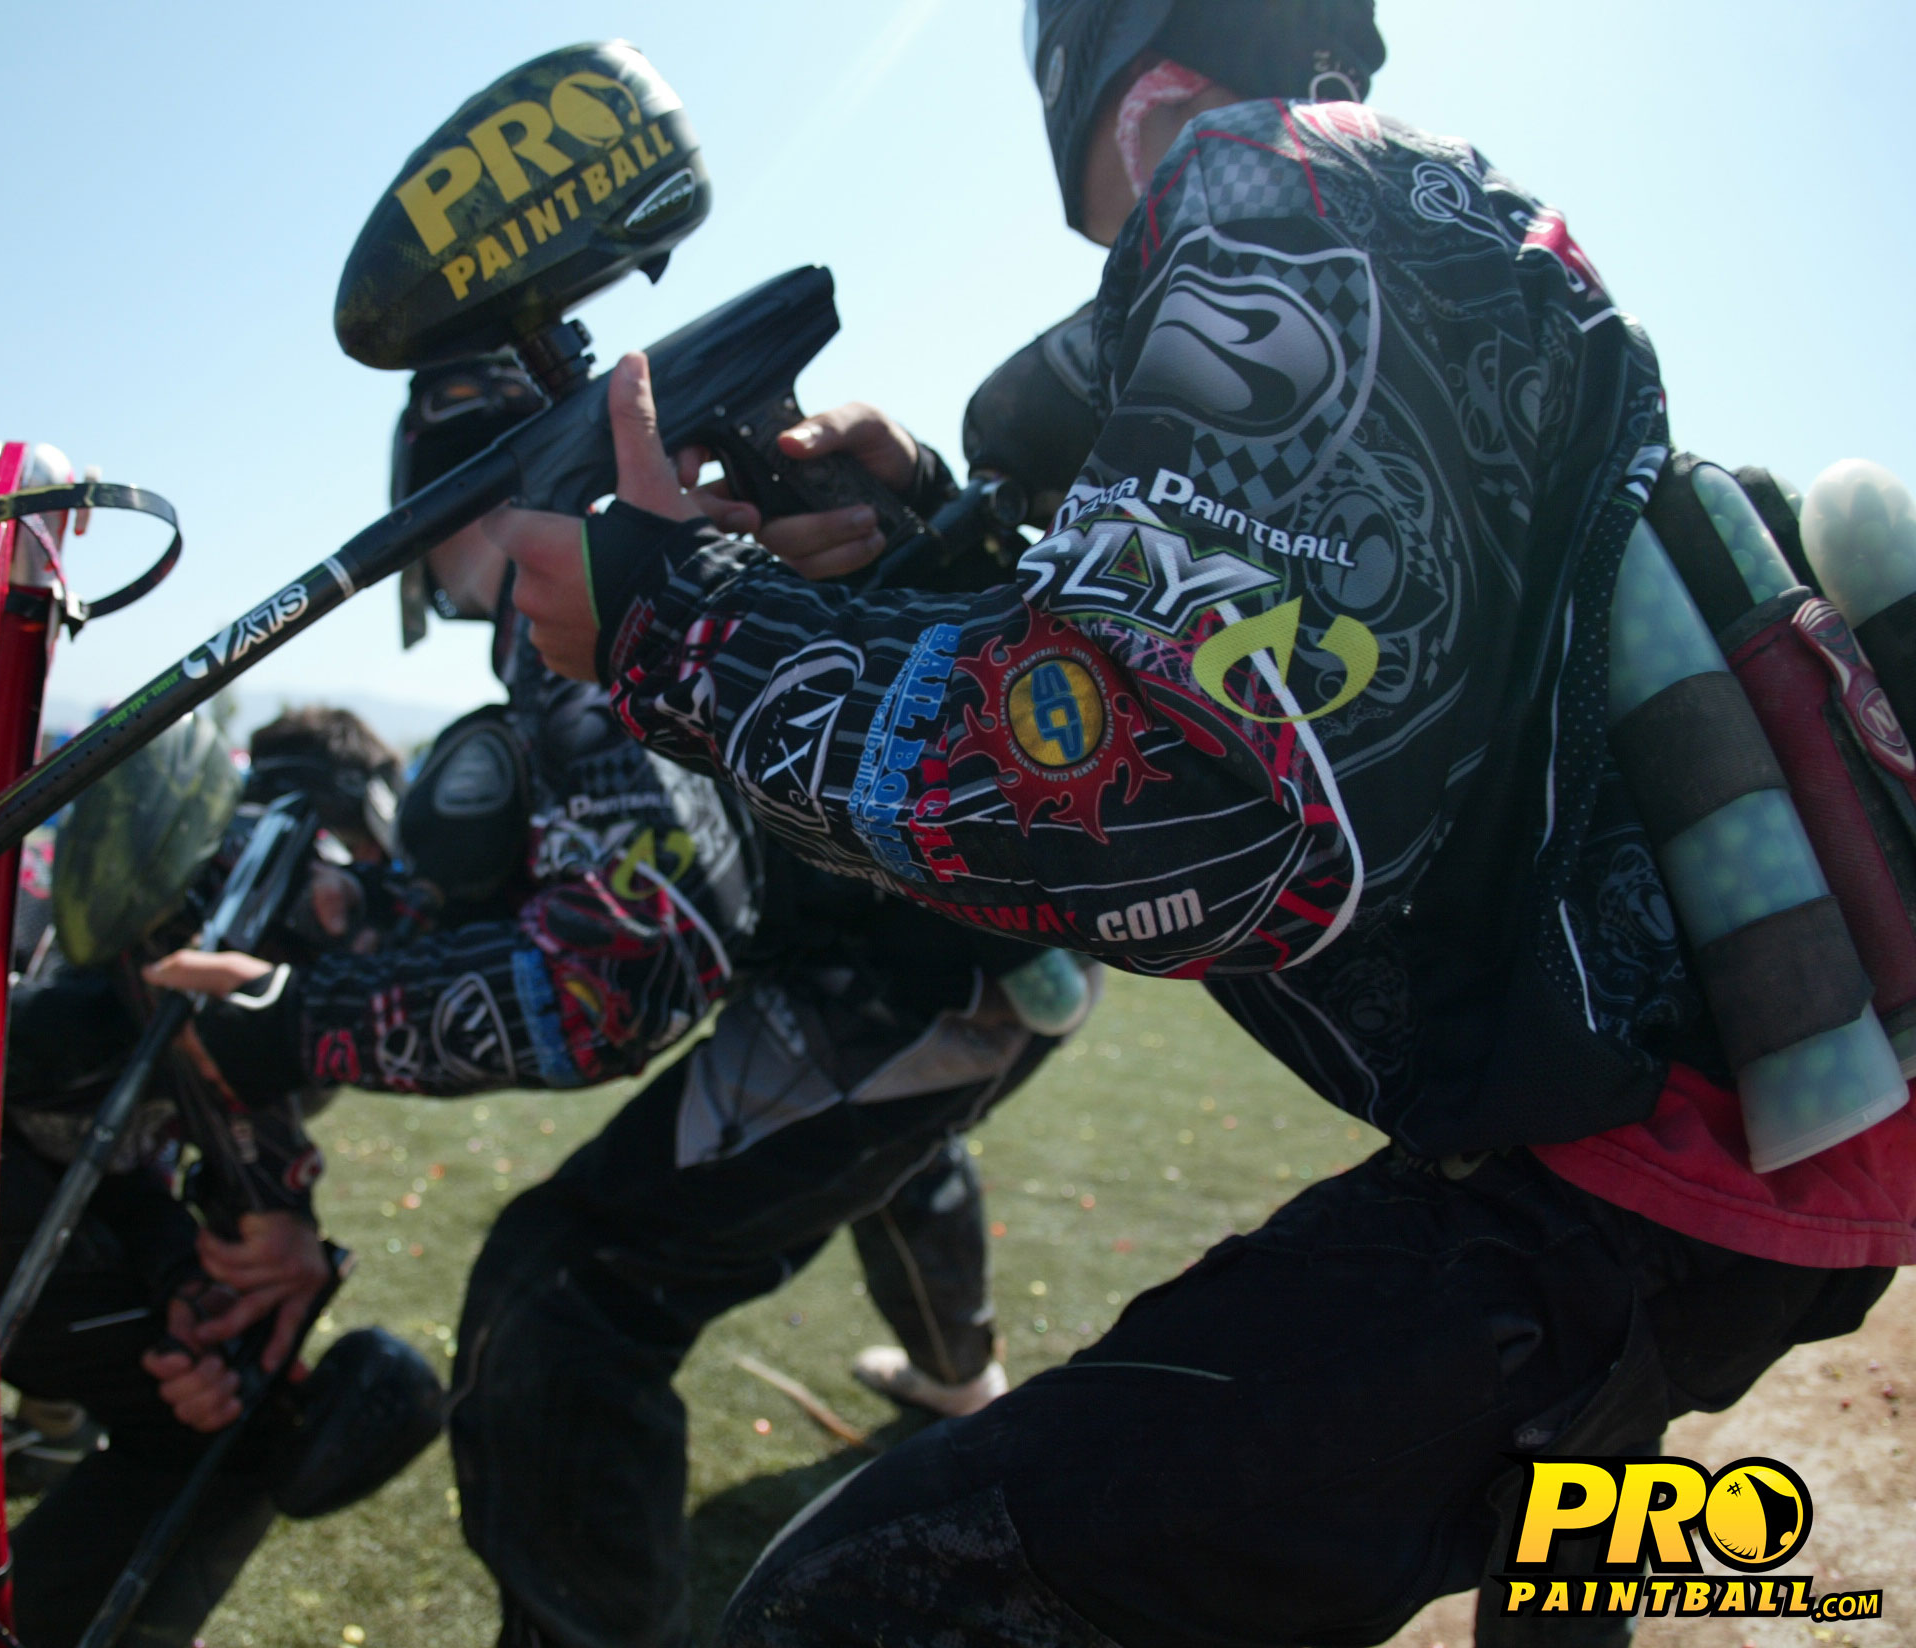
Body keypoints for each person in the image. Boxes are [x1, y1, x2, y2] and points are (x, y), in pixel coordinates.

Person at [467, 2, 1911, 1642]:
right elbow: (1332, 666)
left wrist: (675, 629)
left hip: (1625, 1171)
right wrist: (928, 535)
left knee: (862, 1606)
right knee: (1551, 1503)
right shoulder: (1432, 215)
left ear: (1112, 70)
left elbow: (1197, 797)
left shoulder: (1263, 180)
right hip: (1750, 1128)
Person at [146, 354, 1101, 1648]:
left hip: (930, 973)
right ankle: (957, 1370)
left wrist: (297, 1024)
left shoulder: (568, 599)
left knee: (566, 1287)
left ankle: (945, 1379)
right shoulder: (640, 553)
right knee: (876, 1142)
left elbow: (625, 973)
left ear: (441, 516)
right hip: (985, 936)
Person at [0, 705, 440, 1648]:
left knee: (229, 1395)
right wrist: (268, 1208)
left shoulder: (179, 884)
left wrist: (182, 1275)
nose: (346, 895)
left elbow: (122, 1163)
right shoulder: (221, 891)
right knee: (242, 1416)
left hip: (0, 1198)